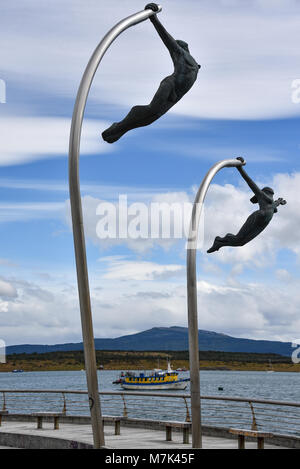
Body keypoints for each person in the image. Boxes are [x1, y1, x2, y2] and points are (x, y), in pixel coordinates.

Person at [102, 3, 200, 143]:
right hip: (170, 85)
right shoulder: (179, 53)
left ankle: (120, 129)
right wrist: (153, 19)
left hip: (177, 94)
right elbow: (166, 37)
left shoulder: (195, 64)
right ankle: (119, 127)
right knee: (151, 110)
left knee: (153, 117)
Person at [207, 158, 287, 253]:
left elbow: (275, 206)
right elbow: (249, 181)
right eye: (271, 193)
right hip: (258, 217)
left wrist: (279, 202)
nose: (272, 195)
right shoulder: (262, 195)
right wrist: (240, 168)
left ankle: (220, 242)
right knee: (238, 239)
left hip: (263, 223)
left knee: (241, 242)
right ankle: (219, 241)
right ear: (266, 192)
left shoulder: (273, 203)